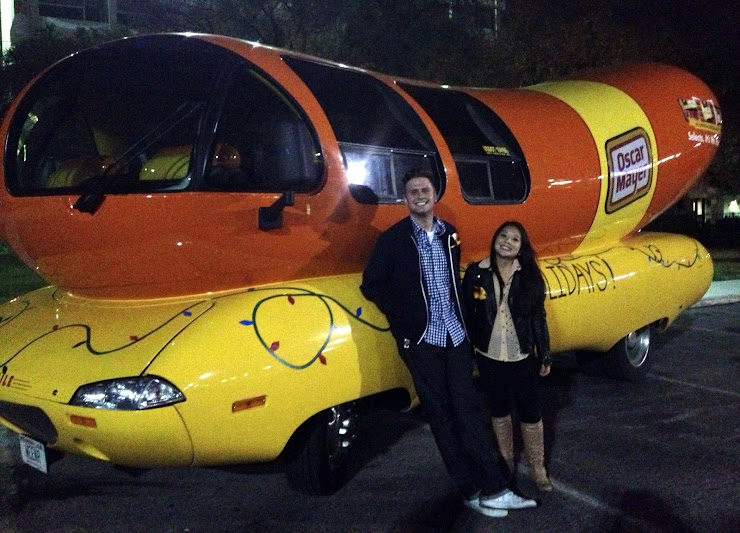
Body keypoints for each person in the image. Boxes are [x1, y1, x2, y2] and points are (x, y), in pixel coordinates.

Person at [361, 169, 536, 518]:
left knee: (468, 410)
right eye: (413, 192)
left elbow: (452, 280)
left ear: (435, 195)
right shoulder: (394, 240)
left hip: (455, 336)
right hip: (422, 341)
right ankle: (471, 490)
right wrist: (406, 320)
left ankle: (494, 489)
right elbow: (371, 284)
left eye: (424, 190)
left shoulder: (449, 234)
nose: (419, 196)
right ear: (405, 199)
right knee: (442, 418)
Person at [462, 220, 553, 492]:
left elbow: (538, 317)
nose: (507, 242)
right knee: (499, 411)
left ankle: (538, 468)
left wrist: (544, 353)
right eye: (503, 236)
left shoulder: (529, 276)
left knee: (530, 413)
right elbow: (467, 313)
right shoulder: (476, 273)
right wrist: (467, 351)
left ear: (521, 247)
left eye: (515, 239)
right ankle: (507, 464)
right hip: (488, 356)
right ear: (495, 239)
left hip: (521, 356)